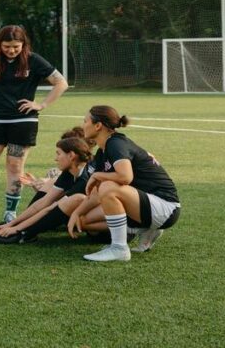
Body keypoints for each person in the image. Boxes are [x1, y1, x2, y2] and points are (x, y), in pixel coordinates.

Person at [0, 25, 69, 226]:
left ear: (23, 44)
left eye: (16, 46)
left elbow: (61, 82)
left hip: (23, 122)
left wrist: (41, 104)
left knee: (15, 167)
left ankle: (10, 212)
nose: (11, 50)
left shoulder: (33, 60)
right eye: (7, 46)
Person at [67, 105, 181, 262]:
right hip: (147, 205)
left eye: (85, 121)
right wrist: (77, 212)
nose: (83, 125)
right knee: (85, 220)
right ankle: (146, 230)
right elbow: (96, 194)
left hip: (165, 207)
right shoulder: (103, 151)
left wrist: (98, 176)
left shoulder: (116, 143)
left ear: (98, 125)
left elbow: (125, 176)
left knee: (108, 186)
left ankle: (119, 248)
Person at [0, 128, 94, 244]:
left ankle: (26, 234)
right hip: (81, 216)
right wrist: (11, 223)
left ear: (71, 155)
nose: (55, 158)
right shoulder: (70, 171)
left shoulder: (85, 179)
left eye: (58, 154)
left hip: (98, 227)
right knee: (51, 186)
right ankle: (23, 228)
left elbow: (50, 209)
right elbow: (44, 201)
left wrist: (17, 229)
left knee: (67, 202)